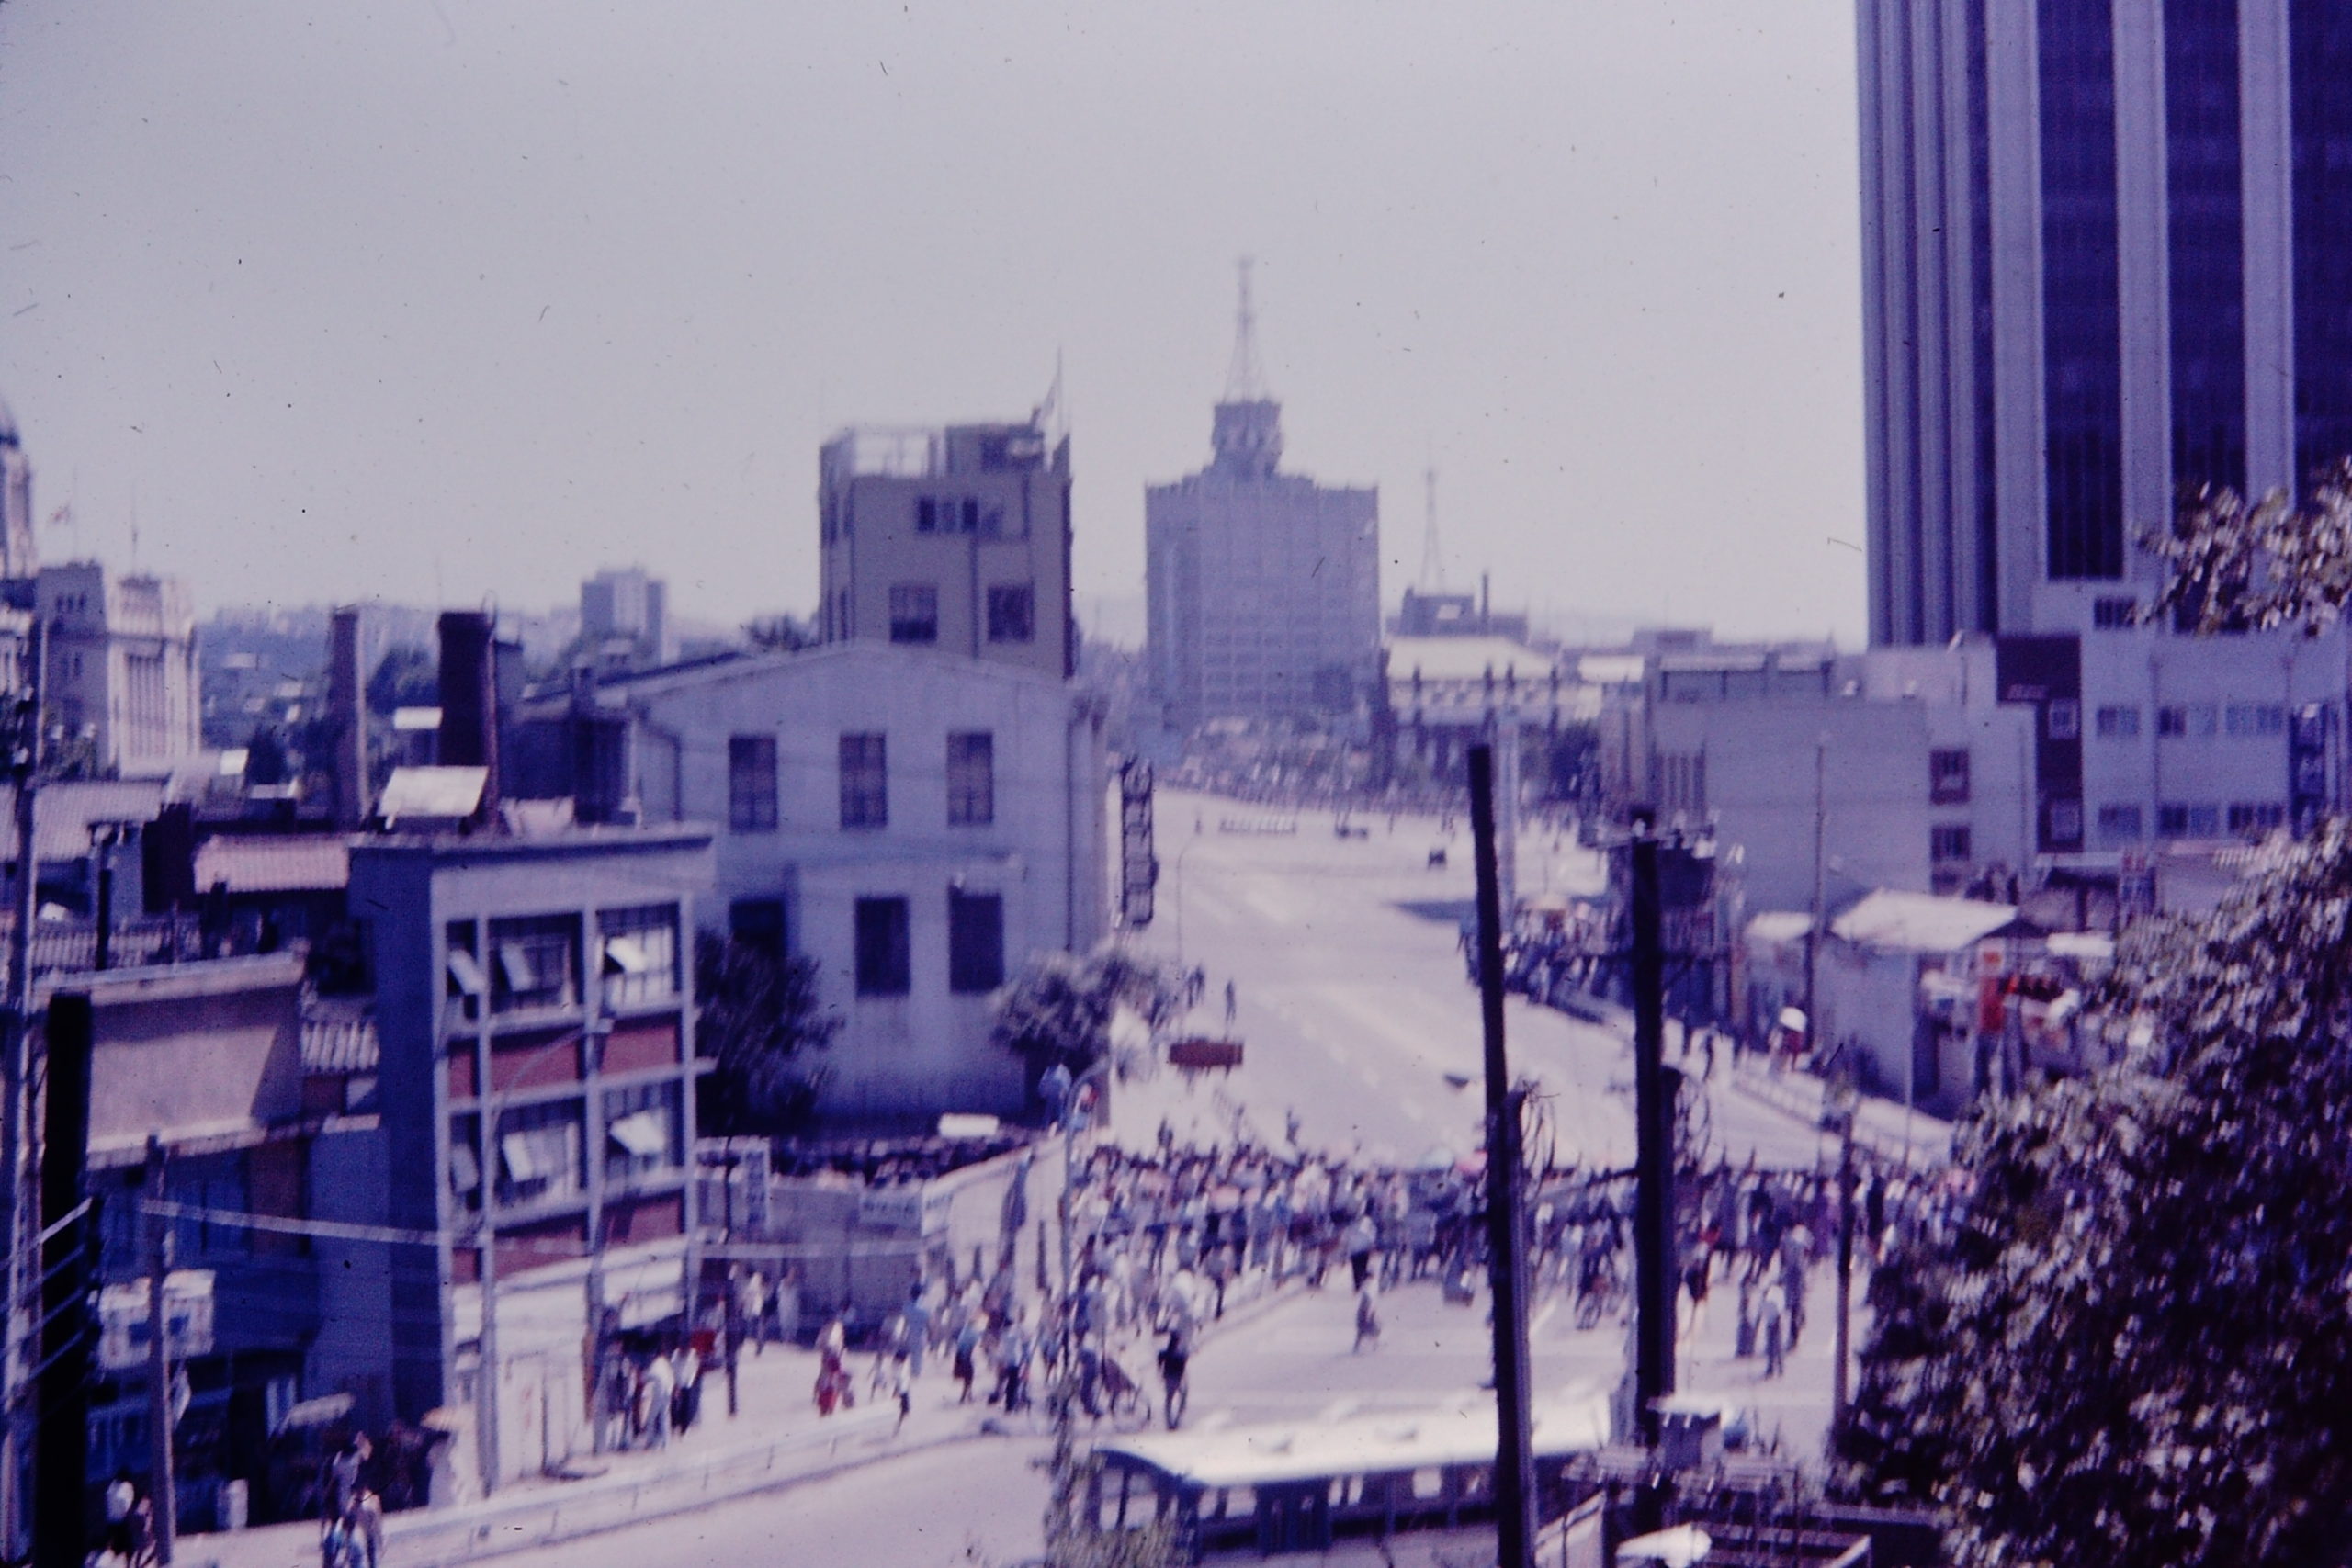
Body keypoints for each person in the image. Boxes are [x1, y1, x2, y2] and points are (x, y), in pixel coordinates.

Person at [1155, 1324, 1190, 1429]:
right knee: (1179, 1398)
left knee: (1170, 1399)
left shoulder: (1167, 1351)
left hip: (1170, 1376)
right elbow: (1182, 1362)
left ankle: (1170, 1422)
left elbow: (1160, 1360)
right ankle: (1173, 1421)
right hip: (1175, 1377)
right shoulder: (1177, 1352)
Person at [1353, 1283, 1381, 1354]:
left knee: (1361, 1333)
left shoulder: (1365, 1301)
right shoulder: (1368, 1300)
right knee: (1363, 1332)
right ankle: (1373, 1344)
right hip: (1366, 1319)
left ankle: (1358, 1345)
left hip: (1364, 1319)